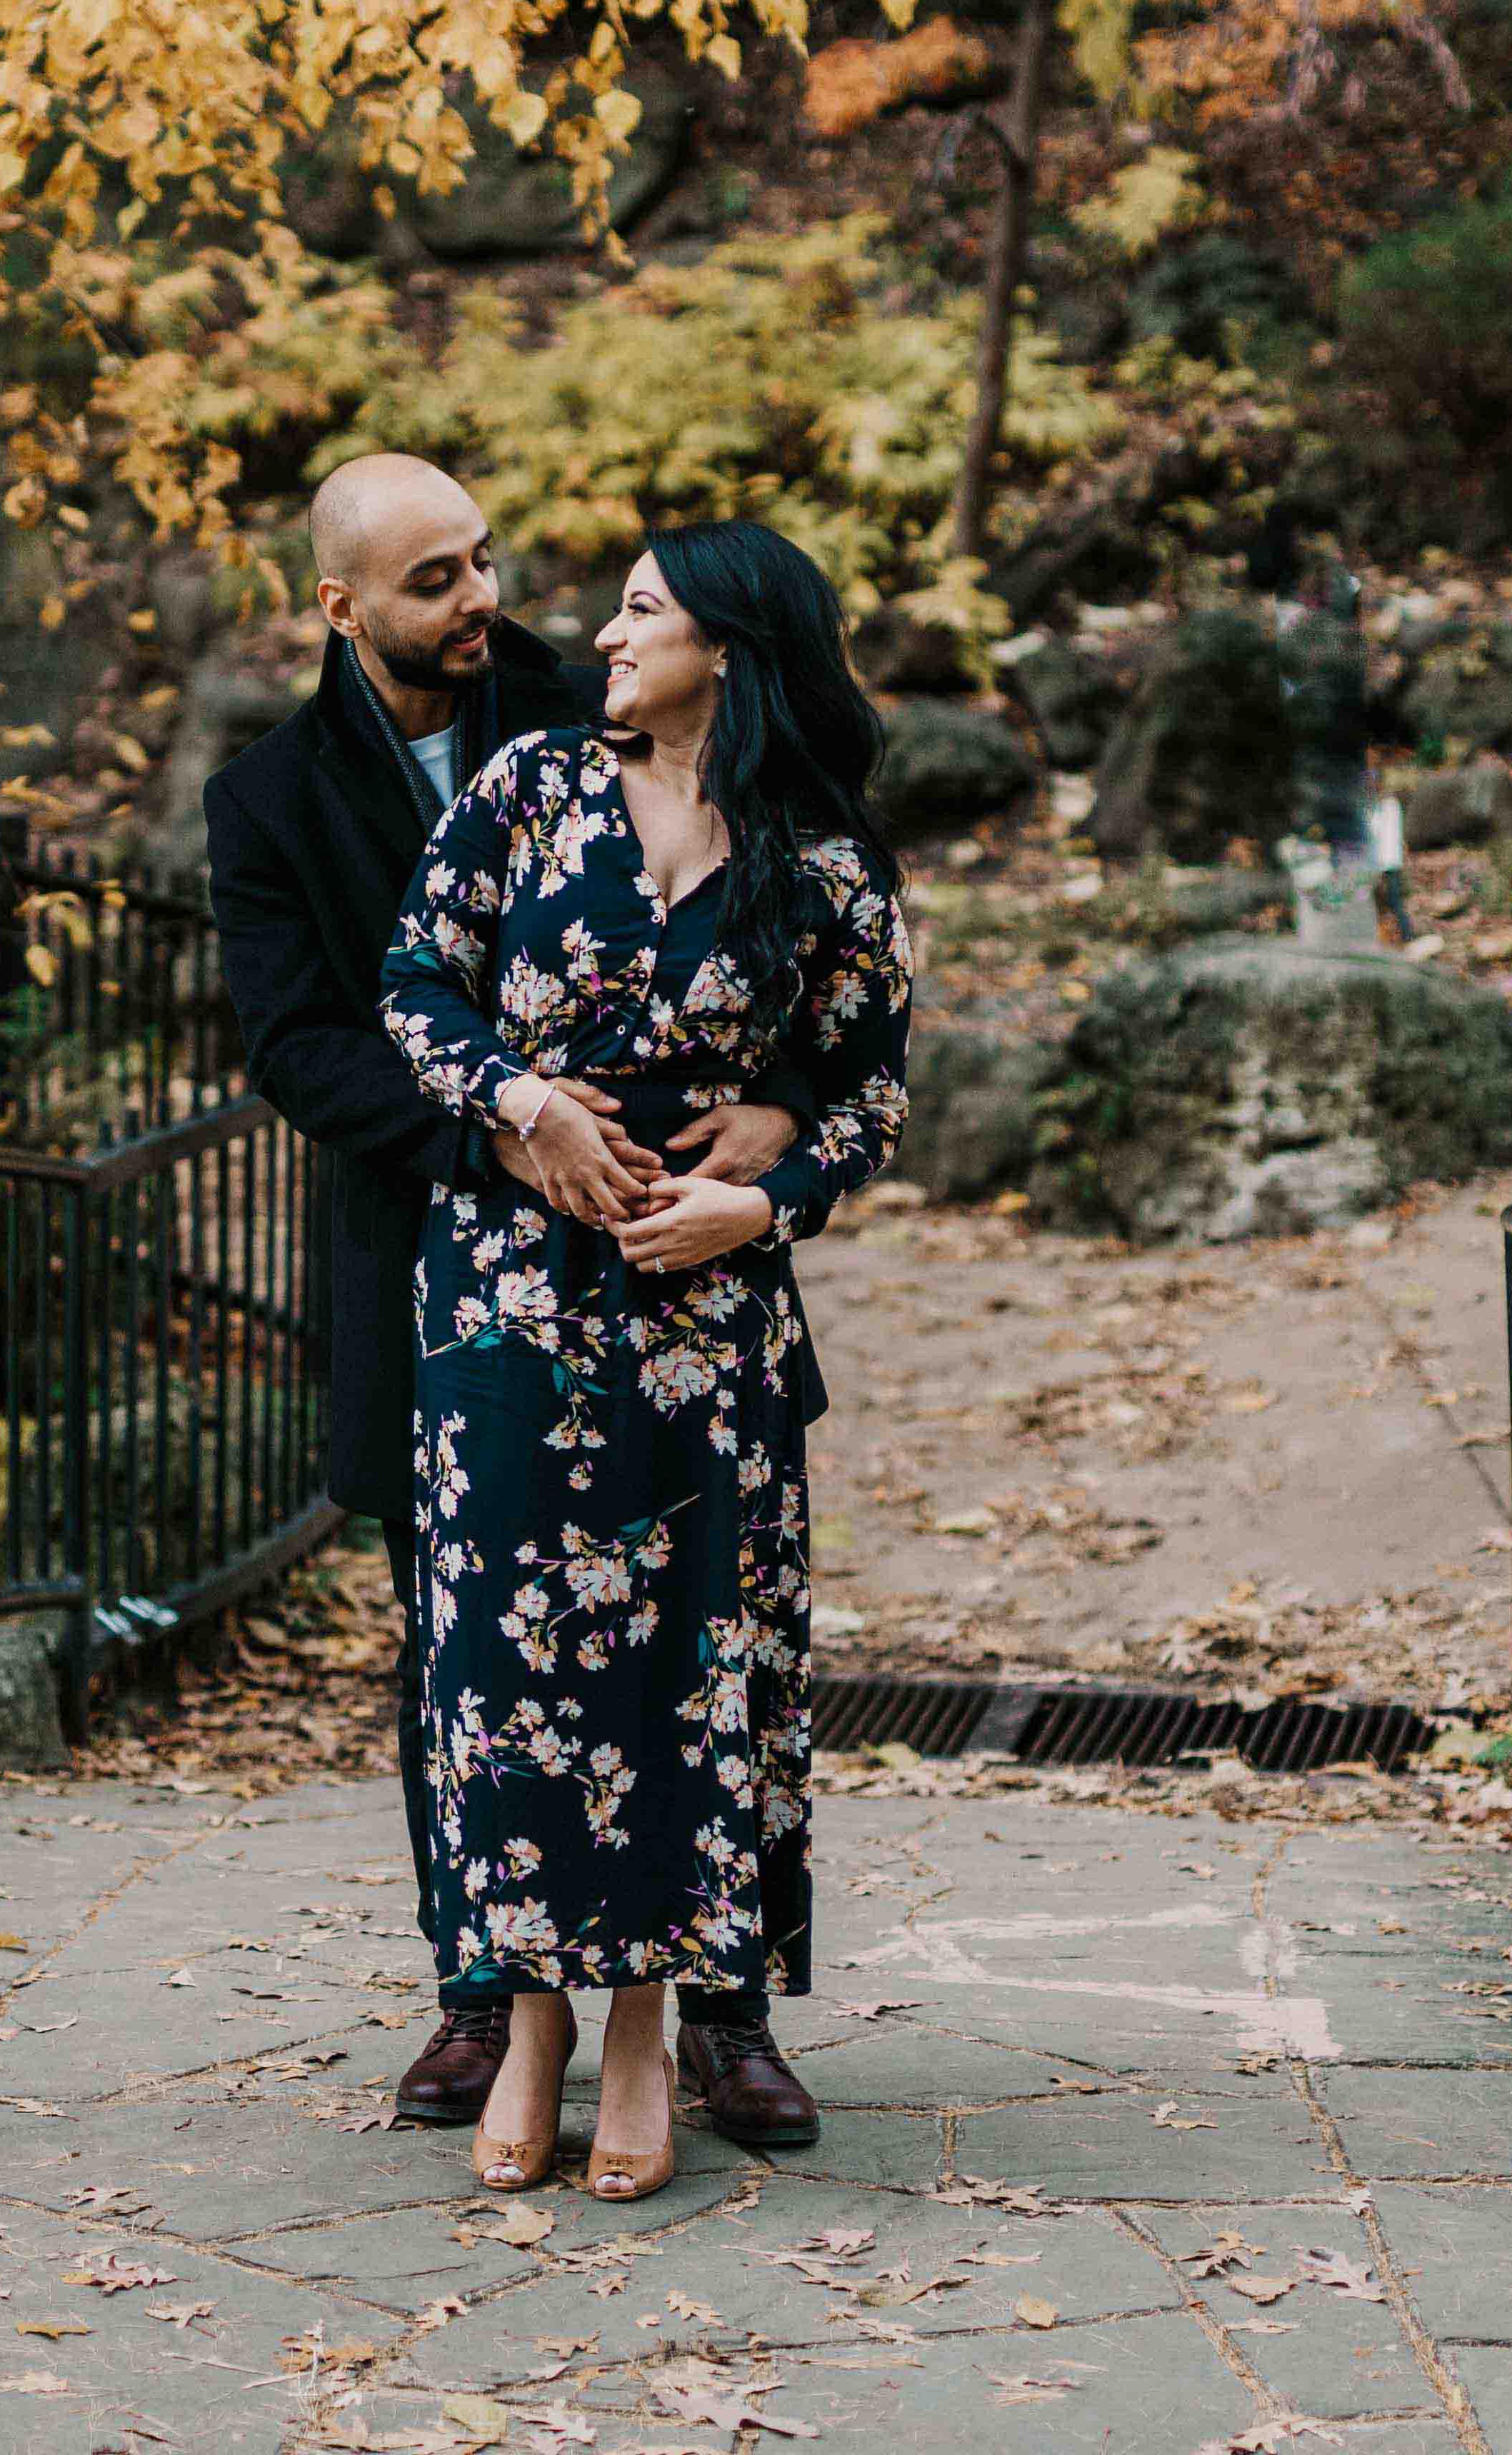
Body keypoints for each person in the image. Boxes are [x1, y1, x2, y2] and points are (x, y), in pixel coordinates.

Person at [200, 456, 816, 2136]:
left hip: (672, 1273)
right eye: (432, 580)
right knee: (464, 1648)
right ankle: (484, 1989)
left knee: (702, 1628)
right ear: (341, 608)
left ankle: (723, 2007)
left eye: (482, 560)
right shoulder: (266, 796)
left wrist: (778, 1108)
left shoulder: (603, 689)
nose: (480, 599)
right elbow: (304, 1038)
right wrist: (507, 1130)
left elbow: (806, 938)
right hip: (444, 1270)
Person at [376, 518, 912, 2201]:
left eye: (643, 612)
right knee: (507, 1669)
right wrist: (520, 1102)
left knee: (687, 1674)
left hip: (707, 1338)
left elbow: (873, 1089)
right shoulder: (530, 787)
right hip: (506, 1311)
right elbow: (412, 982)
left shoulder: (822, 855)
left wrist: (761, 1199)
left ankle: (641, 2031)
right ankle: (526, 2019)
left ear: (732, 648)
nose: (606, 634)